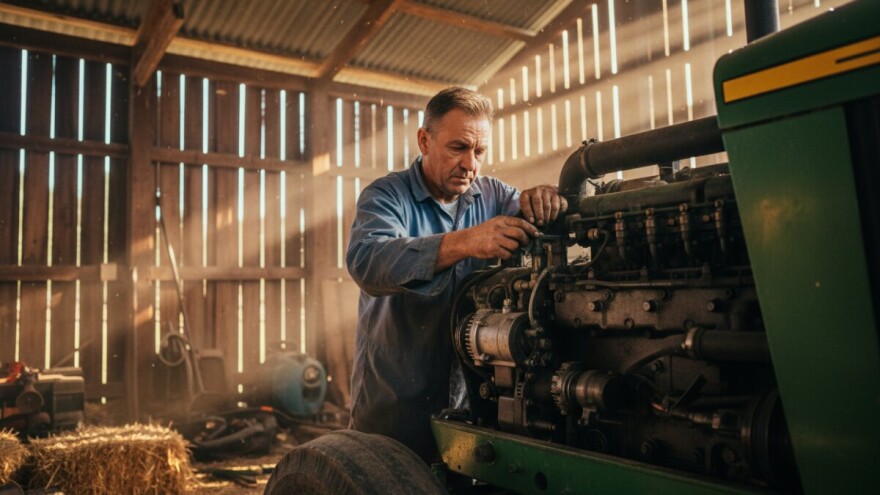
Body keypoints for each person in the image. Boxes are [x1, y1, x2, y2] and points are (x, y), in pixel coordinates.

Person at [345, 87, 567, 462]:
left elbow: (534, 215)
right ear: (424, 140)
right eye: (458, 148)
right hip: (395, 399)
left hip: (470, 399)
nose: (470, 164)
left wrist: (544, 199)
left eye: (479, 152)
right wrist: (466, 242)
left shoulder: (494, 195)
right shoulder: (386, 196)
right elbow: (367, 261)